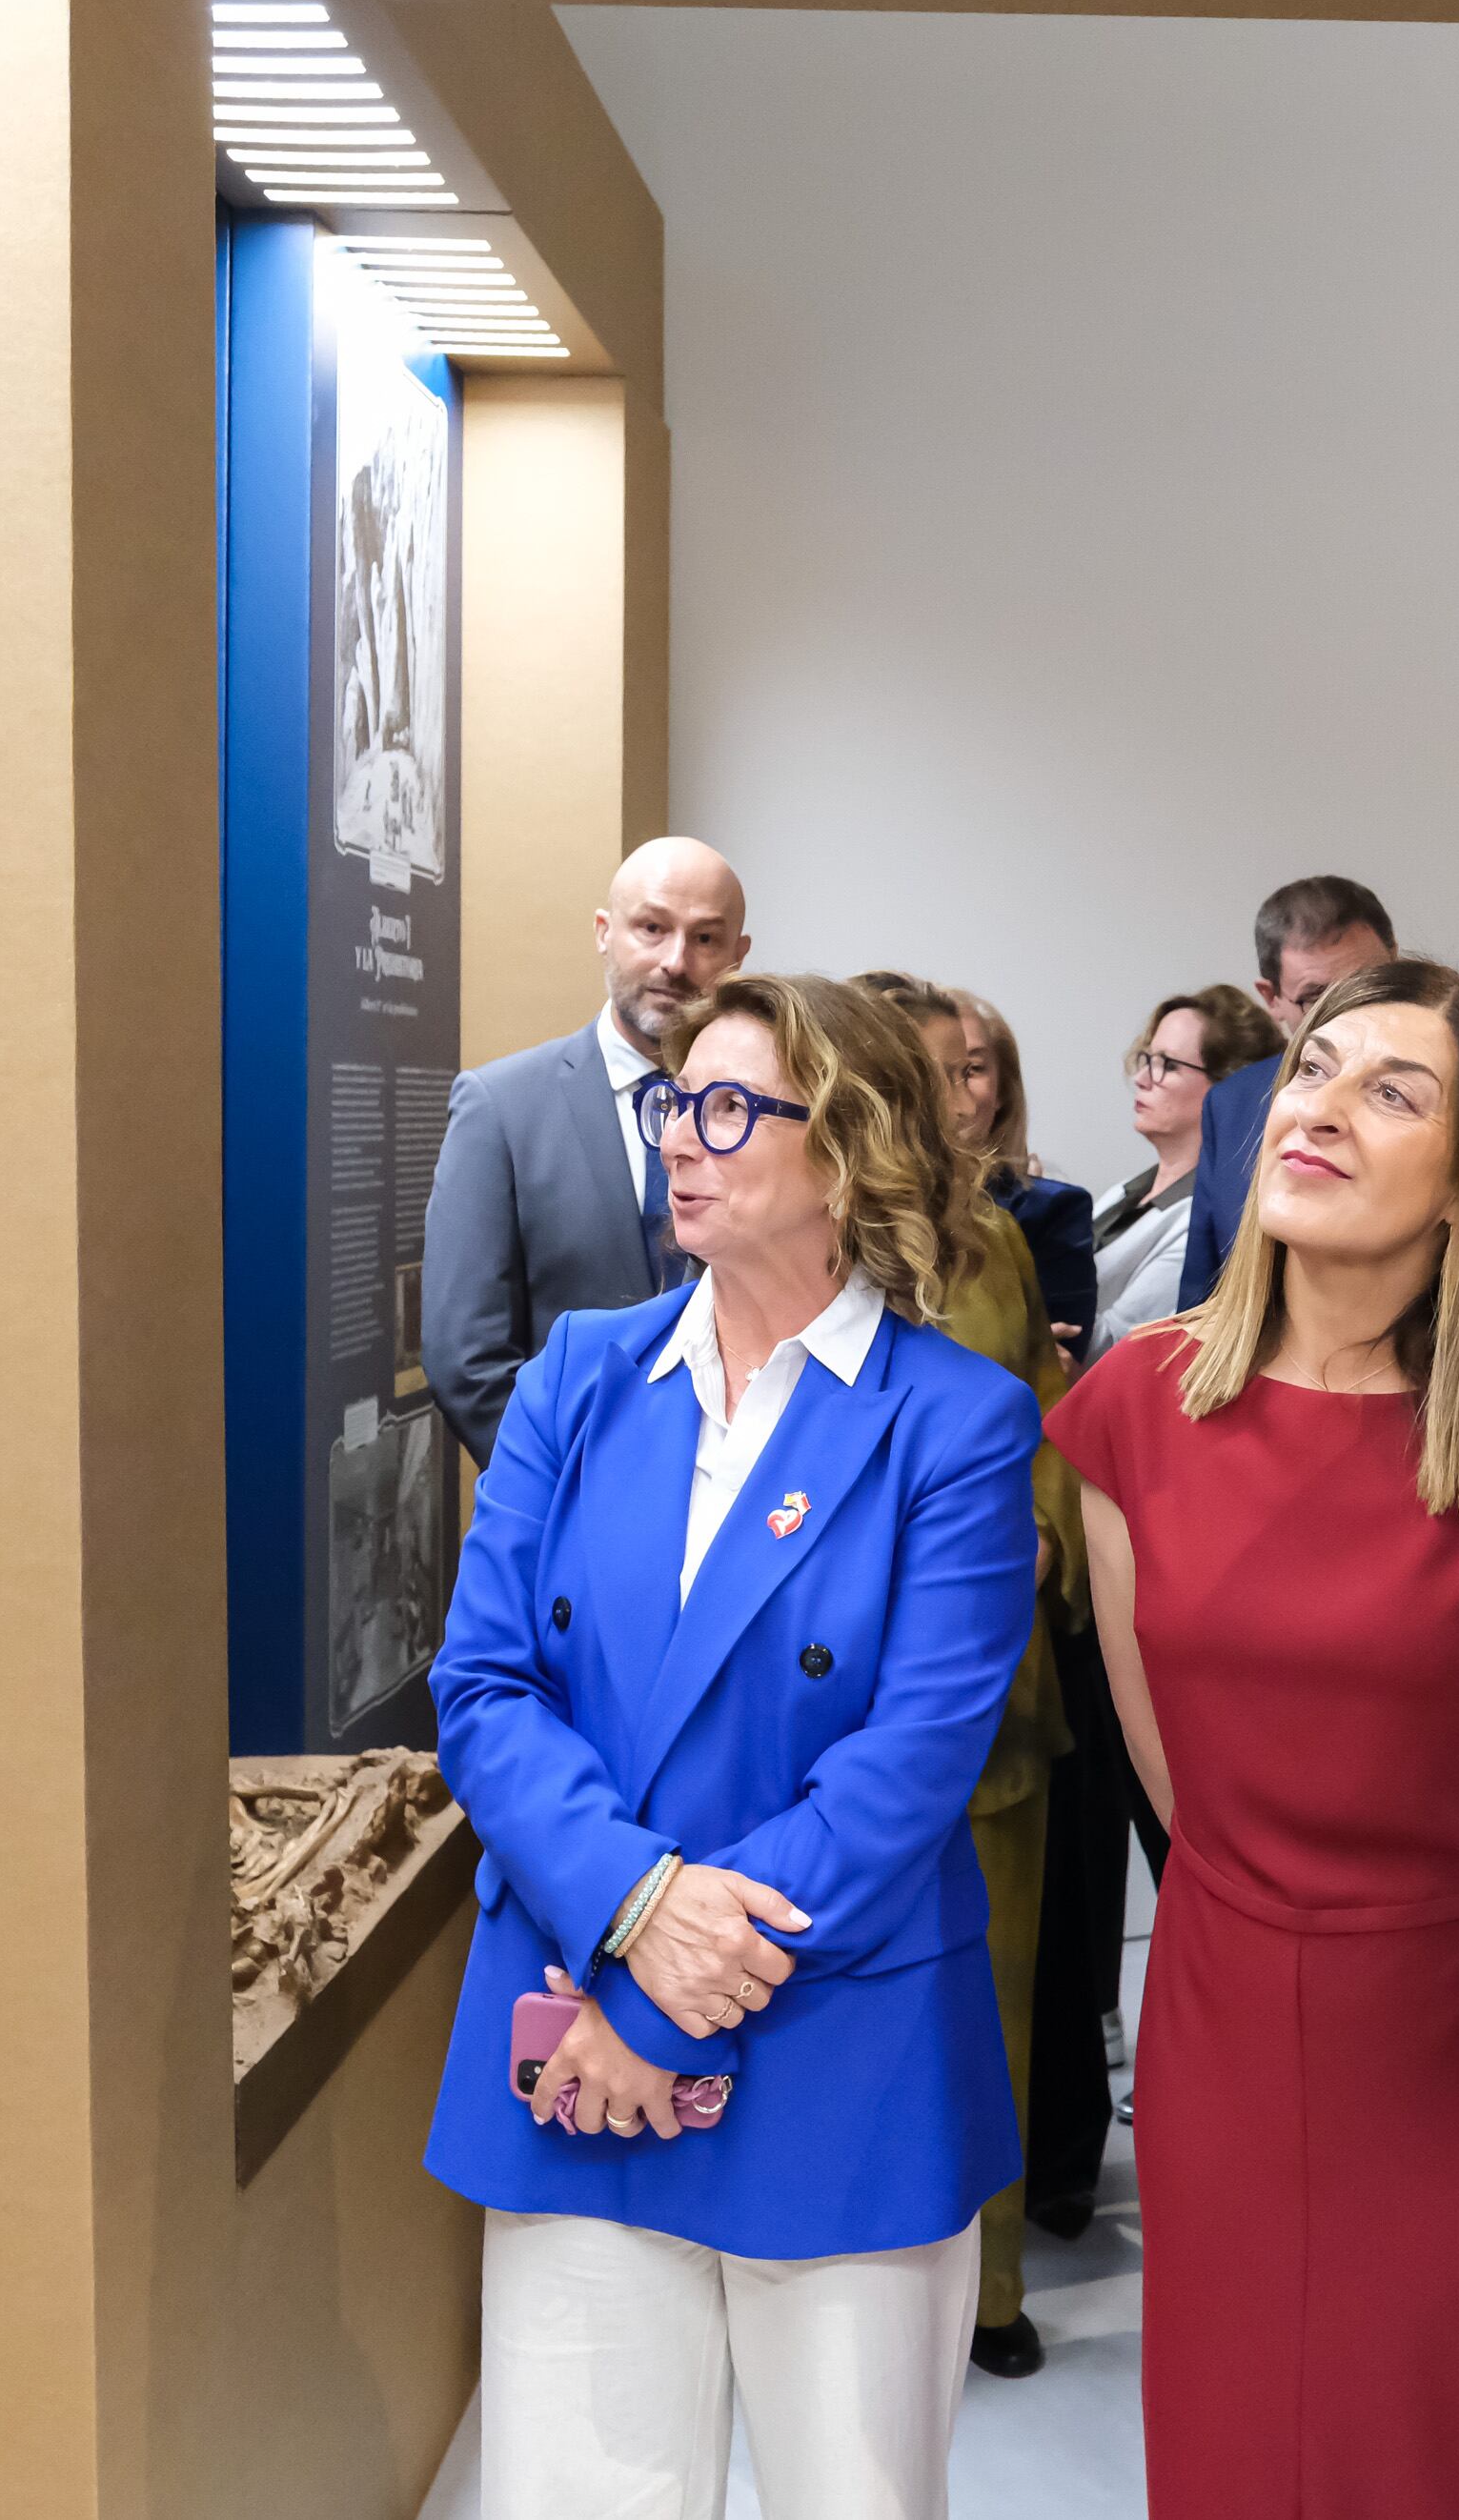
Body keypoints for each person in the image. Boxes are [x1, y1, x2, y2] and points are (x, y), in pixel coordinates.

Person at [422, 972, 1041, 2520]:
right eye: (668, 1105)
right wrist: (634, 1921)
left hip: (836, 2050)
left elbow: (905, 1770)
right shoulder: (577, 1374)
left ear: (846, 1150)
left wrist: (661, 2003)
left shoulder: (955, 1421)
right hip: (575, 2030)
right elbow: (487, 1686)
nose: (677, 1142)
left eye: (723, 1109)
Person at [1049, 960, 1459, 2520]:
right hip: (1223, 2008)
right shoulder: (1134, 1406)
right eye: (1314, 1069)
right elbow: (1166, 1755)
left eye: (1395, 1091)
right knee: (1240, 2446)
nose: (1318, 1109)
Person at [849, 967, 1089, 2379]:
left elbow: (1047, 1425)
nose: (952, 1100)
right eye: (924, 1072)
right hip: (836, 1708)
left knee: (991, 2007)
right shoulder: (791, 1243)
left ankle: (987, 2289)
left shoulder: (993, 1237)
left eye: (964, 1071)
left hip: (996, 1705)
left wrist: (1050, 1541)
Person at [423, 837, 753, 1461]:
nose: (675, 962)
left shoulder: (774, 1114)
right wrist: (565, 1492)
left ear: (739, 955)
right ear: (605, 932)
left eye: (706, 939)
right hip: (565, 1500)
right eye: (651, 927)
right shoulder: (501, 1106)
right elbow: (464, 1359)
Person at [1173, 874, 1397, 1311]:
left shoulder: (1453, 1089)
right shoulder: (1232, 1103)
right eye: (1317, 997)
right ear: (1272, 998)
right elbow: (1202, 1293)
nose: (1349, 1014)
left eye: (1370, 985)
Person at [868, 974, 1097, 1352]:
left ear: (1005, 1089)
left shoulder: (1004, 1230)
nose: (963, 1104)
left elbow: (1047, 1373)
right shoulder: (814, 1221)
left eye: (971, 1071)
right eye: (936, 1077)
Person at [1086, 983, 1279, 1362]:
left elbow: (1115, 1352)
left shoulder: (1200, 1220)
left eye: (1169, 1065)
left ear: (1227, 1088)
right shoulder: (1126, 1189)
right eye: (1147, 1059)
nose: (1143, 1079)